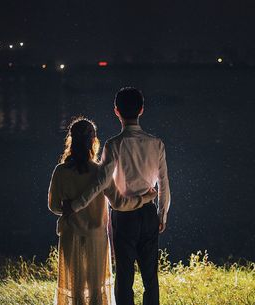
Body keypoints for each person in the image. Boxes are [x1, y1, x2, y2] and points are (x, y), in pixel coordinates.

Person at [63, 87, 171, 305]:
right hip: (149, 213)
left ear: (116, 112)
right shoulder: (156, 144)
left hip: (124, 216)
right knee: (151, 276)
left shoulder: (114, 144)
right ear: (141, 110)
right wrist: (162, 214)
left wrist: (76, 205)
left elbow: (100, 182)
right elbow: (164, 183)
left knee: (124, 275)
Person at [48, 117, 156, 305]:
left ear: (71, 140)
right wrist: (145, 198)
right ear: (93, 141)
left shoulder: (60, 171)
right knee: (96, 288)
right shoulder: (100, 173)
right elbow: (120, 204)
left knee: (74, 288)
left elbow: (54, 206)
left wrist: (69, 207)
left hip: (70, 235)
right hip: (96, 237)